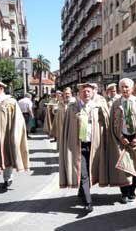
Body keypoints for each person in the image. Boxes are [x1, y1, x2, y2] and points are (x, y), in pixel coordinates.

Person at [59, 83, 108, 213]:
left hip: (93, 146)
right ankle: (88, 202)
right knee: (83, 173)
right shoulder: (72, 108)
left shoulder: (98, 107)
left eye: (89, 91)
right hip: (78, 145)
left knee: (90, 171)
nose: (86, 93)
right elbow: (67, 128)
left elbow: (104, 125)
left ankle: (81, 191)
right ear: (79, 93)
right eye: (84, 91)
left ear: (93, 93)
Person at [109, 78, 136, 204]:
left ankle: (132, 190)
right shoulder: (116, 104)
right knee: (123, 166)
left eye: (127, 87)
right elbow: (112, 123)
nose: (124, 89)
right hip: (121, 139)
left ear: (132, 89)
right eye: (122, 87)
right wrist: (120, 137)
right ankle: (124, 192)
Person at [0, 80, 29, 189]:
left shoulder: (10, 102)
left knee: (7, 156)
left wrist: (15, 134)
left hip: (6, 135)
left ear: (0, 88)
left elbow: (18, 119)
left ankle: (8, 178)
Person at [53, 87, 75, 151]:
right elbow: (56, 112)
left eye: (68, 93)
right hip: (62, 124)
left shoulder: (74, 101)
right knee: (62, 138)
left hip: (71, 124)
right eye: (65, 94)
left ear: (71, 94)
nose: (67, 95)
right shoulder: (60, 102)